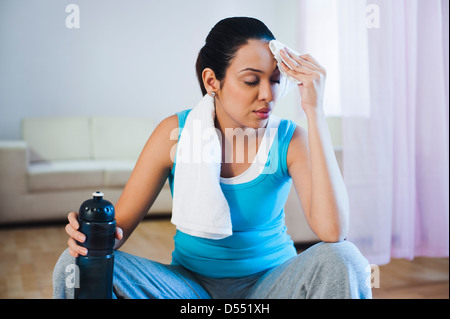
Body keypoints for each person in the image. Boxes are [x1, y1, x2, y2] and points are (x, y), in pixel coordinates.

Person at [53, 17, 372, 299]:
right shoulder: (174, 133)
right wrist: (89, 237)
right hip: (188, 288)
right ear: (212, 81)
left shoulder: (288, 139)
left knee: (344, 258)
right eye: (251, 80)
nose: (267, 94)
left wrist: (315, 110)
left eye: (275, 81)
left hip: (272, 286)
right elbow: (116, 234)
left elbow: (333, 233)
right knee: (74, 265)